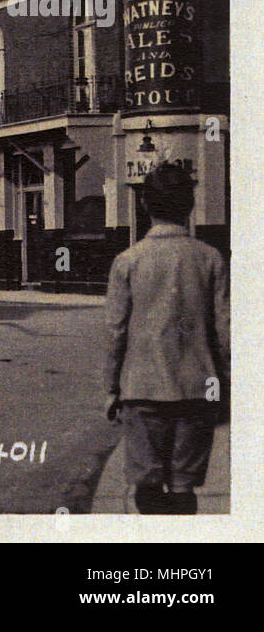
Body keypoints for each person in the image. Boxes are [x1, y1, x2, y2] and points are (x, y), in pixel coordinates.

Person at [103, 163, 229, 515]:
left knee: (147, 487)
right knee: (184, 488)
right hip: (197, 392)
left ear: (145, 204)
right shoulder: (210, 259)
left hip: (142, 390)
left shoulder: (127, 261)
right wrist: (226, 388)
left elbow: (116, 333)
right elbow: (224, 333)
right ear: (189, 205)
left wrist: (112, 389)